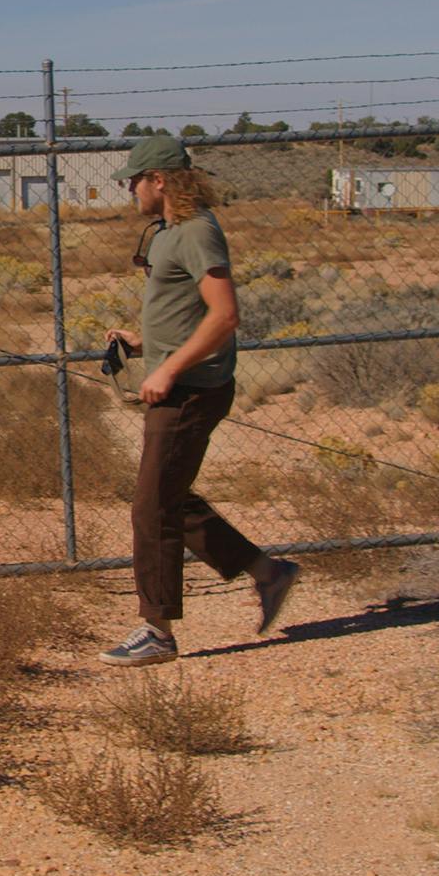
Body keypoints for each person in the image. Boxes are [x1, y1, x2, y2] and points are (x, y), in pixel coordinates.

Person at [98, 133, 296, 666]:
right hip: (181, 380)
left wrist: (168, 368)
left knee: (151, 506)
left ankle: (157, 632)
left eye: (135, 181)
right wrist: (144, 344)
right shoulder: (169, 232)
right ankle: (268, 573)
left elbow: (224, 315)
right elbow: (186, 308)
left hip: (192, 390)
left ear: (159, 180)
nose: (131, 191)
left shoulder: (196, 232)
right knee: (168, 495)